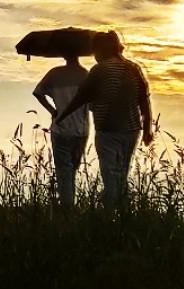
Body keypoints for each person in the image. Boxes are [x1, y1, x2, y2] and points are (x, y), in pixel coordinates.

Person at [56, 30, 153, 206]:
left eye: (95, 51)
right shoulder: (133, 68)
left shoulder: (99, 70)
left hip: (108, 130)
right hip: (131, 131)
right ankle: (123, 212)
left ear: (102, 50)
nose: (94, 55)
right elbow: (144, 100)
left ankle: (110, 215)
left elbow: (81, 97)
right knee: (122, 172)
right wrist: (147, 130)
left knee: (109, 174)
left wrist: (62, 116)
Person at [32, 38, 90, 206]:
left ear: (63, 54)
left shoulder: (55, 73)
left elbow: (38, 92)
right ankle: (70, 206)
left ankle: (67, 209)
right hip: (81, 130)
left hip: (61, 129)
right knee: (72, 170)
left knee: (64, 171)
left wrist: (52, 111)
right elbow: (92, 104)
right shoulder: (85, 75)